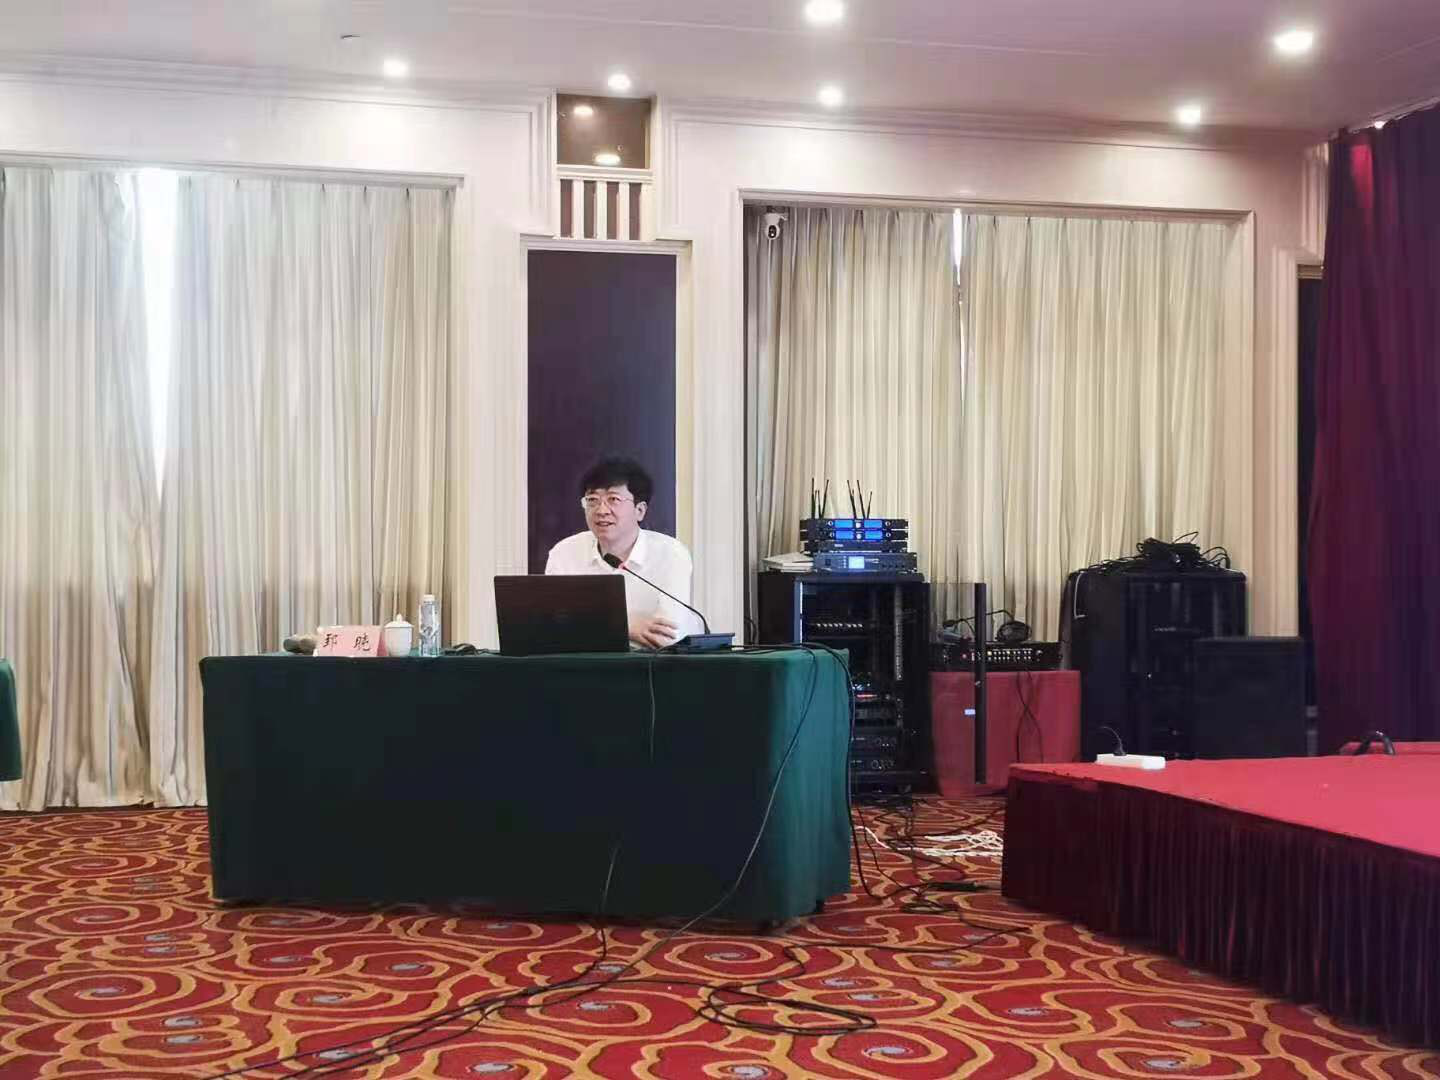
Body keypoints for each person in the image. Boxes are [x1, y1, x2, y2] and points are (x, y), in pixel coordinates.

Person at [544, 457, 700, 649]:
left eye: (614, 499)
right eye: (592, 500)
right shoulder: (564, 553)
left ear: (639, 510)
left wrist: (586, 624)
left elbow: (665, 637)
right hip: (582, 663)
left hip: (656, 665)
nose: (601, 510)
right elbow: (553, 628)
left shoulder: (671, 554)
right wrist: (627, 627)